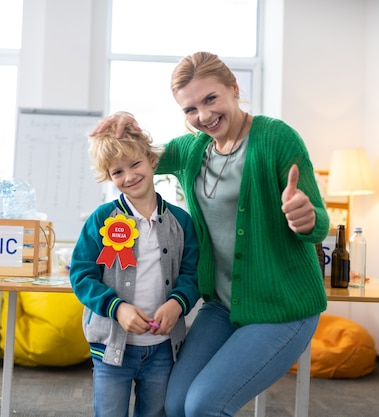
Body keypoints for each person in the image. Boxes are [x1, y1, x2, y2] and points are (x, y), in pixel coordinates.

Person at [93, 51, 329, 417]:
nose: (202, 116)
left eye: (210, 99)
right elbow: (137, 158)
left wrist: (306, 218)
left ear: (234, 88)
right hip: (221, 305)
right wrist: (127, 125)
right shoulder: (192, 150)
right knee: (174, 404)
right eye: (190, 109)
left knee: (204, 405)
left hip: (282, 307)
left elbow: (319, 223)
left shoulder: (276, 138)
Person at [70, 124, 200, 417]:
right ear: (109, 177)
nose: (128, 176)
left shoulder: (181, 221)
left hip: (164, 350)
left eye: (135, 164)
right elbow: (81, 275)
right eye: (117, 172)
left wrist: (177, 303)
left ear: (152, 160)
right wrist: (117, 308)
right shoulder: (101, 218)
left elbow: (193, 275)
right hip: (111, 349)